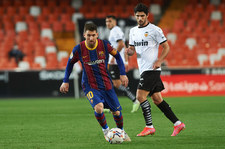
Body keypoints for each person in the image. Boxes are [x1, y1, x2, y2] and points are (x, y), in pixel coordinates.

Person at [60, 22, 131, 141]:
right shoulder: (79, 49)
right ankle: (106, 131)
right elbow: (70, 63)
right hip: (90, 85)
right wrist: (65, 81)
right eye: (88, 35)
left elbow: (118, 56)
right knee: (99, 108)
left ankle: (121, 132)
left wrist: (123, 74)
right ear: (84, 35)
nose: (91, 38)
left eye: (93, 35)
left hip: (106, 83)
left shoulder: (104, 45)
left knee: (117, 112)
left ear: (97, 34)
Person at [126, 3, 185, 136]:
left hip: (151, 69)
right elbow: (132, 50)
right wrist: (128, 51)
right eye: (137, 16)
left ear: (147, 15)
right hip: (143, 69)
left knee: (140, 96)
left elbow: (166, 47)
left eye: (142, 16)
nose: (140, 18)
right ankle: (178, 123)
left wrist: (159, 60)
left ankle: (149, 127)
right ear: (135, 16)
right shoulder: (133, 31)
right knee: (157, 99)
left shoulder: (155, 30)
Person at [105, 15, 140, 113]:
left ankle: (135, 100)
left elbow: (120, 44)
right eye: (107, 21)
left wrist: (112, 57)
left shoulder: (116, 30)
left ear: (115, 22)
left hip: (115, 62)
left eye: (110, 21)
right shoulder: (115, 31)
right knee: (111, 83)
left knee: (116, 84)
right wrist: (125, 61)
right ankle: (109, 105)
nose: (108, 23)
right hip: (116, 61)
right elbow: (124, 46)